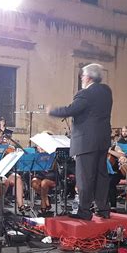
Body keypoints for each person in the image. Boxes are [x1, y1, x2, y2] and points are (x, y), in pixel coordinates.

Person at [48, 63, 112, 220]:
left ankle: (84, 210)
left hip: (86, 142)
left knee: (85, 177)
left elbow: (72, 110)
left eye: (83, 75)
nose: (81, 78)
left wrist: (52, 111)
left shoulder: (85, 93)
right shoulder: (106, 91)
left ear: (89, 77)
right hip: (102, 140)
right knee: (100, 175)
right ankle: (103, 208)